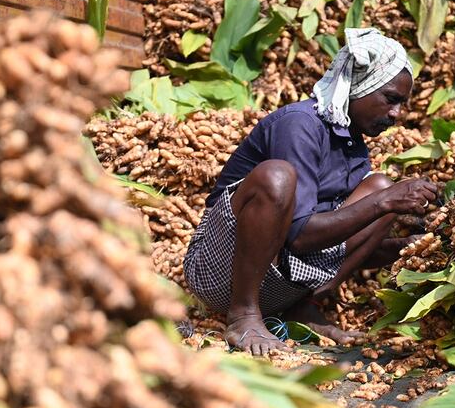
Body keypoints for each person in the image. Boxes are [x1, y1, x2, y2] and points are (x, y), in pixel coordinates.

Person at [183, 28, 439, 356]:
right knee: (278, 178)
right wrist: (384, 202)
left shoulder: (355, 146)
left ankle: (302, 307)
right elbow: (300, 237)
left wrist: (404, 247)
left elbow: (333, 240)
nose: (397, 114)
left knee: (380, 186)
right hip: (220, 271)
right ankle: (243, 314)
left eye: (402, 104)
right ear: (361, 85)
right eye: (390, 99)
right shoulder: (300, 124)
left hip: (282, 281)